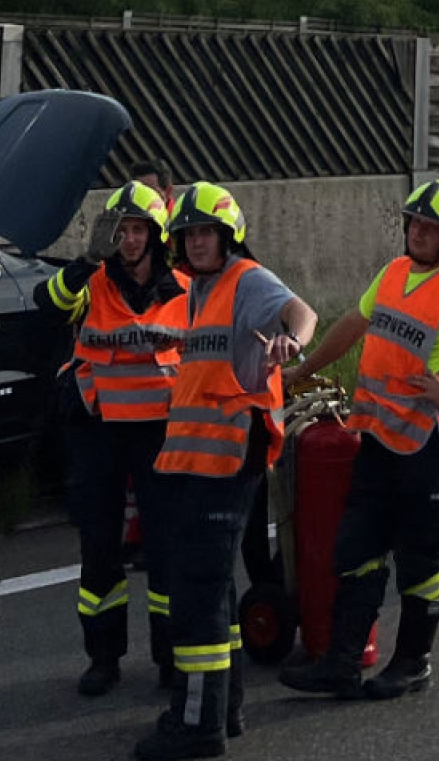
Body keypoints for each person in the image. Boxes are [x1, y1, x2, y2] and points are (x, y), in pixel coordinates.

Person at [277, 180, 439, 701]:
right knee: (357, 549)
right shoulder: (393, 273)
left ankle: (413, 663)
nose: (418, 233)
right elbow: (352, 324)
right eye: (413, 223)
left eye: (430, 228)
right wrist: (302, 372)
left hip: (433, 452)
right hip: (380, 443)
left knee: (422, 561)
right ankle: (341, 665)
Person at [135, 183, 316, 760]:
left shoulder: (246, 280)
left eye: (205, 232)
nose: (197, 242)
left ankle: (198, 726)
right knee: (212, 591)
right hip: (195, 465)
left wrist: (294, 341)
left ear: (228, 236)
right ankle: (225, 708)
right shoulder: (200, 289)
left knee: (195, 597)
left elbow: (300, 311)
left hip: (226, 463)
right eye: (188, 235)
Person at [36, 182, 187, 697]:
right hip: (97, 430)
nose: (128, 240)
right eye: (120, 230)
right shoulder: (91, 282)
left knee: (167, 547)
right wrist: (84, 260)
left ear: (157, 236)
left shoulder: (185, 290)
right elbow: (48, 302)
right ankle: (103, 658)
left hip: (159, 432)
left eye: (138, 229)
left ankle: (171, 657)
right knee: (99, 546)